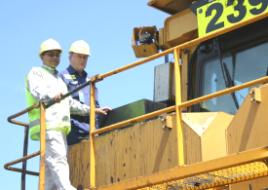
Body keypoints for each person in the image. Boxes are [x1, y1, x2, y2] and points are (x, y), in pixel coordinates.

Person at [25, 38, 94, 190]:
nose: (54, 58)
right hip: (48, 124)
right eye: (50, 55)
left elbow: (69, 102)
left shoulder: (59, 80)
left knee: (49, 167)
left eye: (57, 55)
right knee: (58, 159)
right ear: (42, 56)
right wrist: (50, 96)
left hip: (60, 127)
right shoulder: (36, 72)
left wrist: (92, 110)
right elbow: (38, 90)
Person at [60, 40, 110, 145]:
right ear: (70, 56)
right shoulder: (62, 77)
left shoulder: (90, 81)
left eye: (85, 57)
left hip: (91, 132)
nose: (82, 60)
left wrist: (101, 112)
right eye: (79, 56)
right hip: (72, 134)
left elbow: (95, 105)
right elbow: (63, 105)